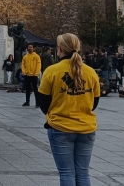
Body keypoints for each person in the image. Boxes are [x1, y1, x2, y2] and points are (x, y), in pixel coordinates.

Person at [38, 33, 100, 186]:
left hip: (61, 127)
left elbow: (42, 101)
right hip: (86, 128)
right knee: (83, 173)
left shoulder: (52, 71)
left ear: (59, 49)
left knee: (67, 173)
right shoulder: (90, 72)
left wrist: (54, 112)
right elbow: (94, 102)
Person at [21, 43, 41, 107]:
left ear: (33, 48)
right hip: (27, 75)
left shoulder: (37, 56)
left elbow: (38, 65)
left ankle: (37, 103)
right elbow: (23, 65)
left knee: (35, 89)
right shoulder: (25, 57)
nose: (29, 48)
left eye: (31, 47)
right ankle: (27, 102)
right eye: (28, 47)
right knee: (27, 89)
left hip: (34, 75)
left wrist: (36, 73)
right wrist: (24, 72)